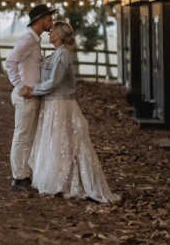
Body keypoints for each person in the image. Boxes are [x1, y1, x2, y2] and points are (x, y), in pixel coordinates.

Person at [19, 21, 119, 204]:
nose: (49, 34)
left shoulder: (63, 55)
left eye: (52, 33)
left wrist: (33, 91)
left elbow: (54, 82)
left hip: (60, 103)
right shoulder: (58, 54)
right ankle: (52, 177)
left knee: (61, 140)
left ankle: (61, 181)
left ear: (58, 35)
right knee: (54, 141)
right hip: (52, 103)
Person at [4, 4, 56, 193]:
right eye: (49, 18)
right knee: (22, 137)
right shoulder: (27, 39)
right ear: (39, 19)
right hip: (25, 97)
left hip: (33, 95)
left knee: (28, 138)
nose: (51, 21)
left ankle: (24, 175)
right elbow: (10, 62)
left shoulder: (35, 41)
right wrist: (20, 86)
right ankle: (18, 179)